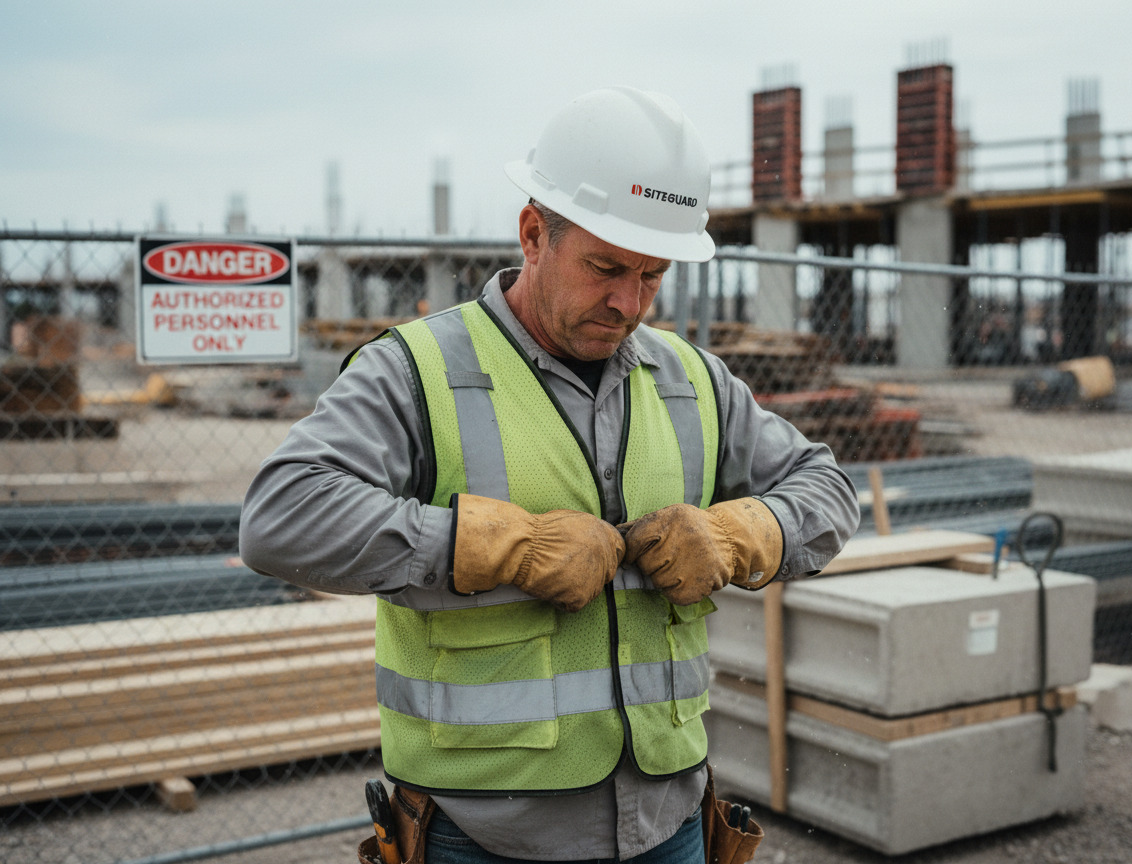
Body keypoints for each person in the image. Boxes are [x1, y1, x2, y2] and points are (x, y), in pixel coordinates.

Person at [239, 86, 859, 864]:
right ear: (534, 233)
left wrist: (743, 532)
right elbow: (280, 517)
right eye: (605, 267)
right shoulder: (420, 370)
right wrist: (497, 545)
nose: (629, 302)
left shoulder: (690, 380)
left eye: (653, 276)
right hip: (482, 836)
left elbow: (828, 490)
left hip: (670, 822)